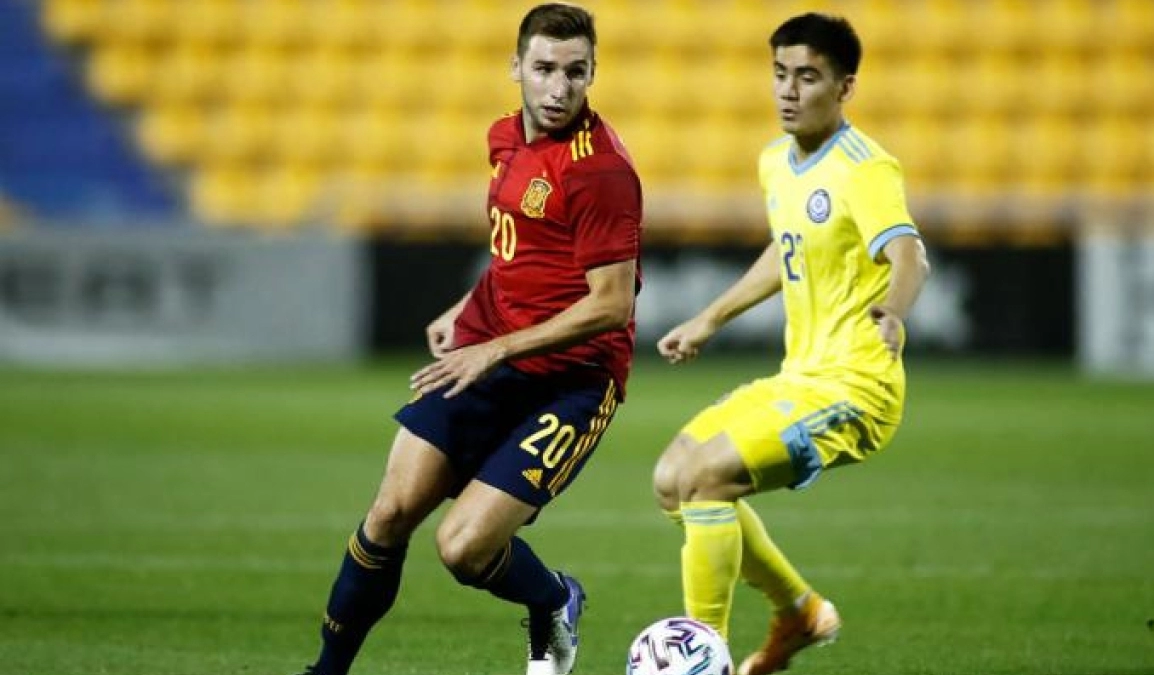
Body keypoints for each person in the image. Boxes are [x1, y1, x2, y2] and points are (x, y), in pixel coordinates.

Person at [296, 5, 642, 675]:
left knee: (463, 549)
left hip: (573, 377)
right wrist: (467, 308)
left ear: (593, 73)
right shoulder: (504, 136)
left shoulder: (601, 172)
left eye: (576, 72)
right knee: (390, 509)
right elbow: (522, 252)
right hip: (489, 347)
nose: (559, 87)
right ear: (516, 68)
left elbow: (612, 303)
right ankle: (325, 671)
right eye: (544, 69)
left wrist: (495, 348)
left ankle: (553, 600)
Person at [652, 12, 930, 675]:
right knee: (673, 479)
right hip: (798, 376)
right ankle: (800, 611)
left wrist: (893, 311)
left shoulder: (867, 166)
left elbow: (909, 254)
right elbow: (787, 252)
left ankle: (701, 656)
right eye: (780, 74)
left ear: (845, 87)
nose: (788, 90)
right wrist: (709, 319)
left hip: (856, 386)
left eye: (808, 77)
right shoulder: (776, 162)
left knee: (709, 478)